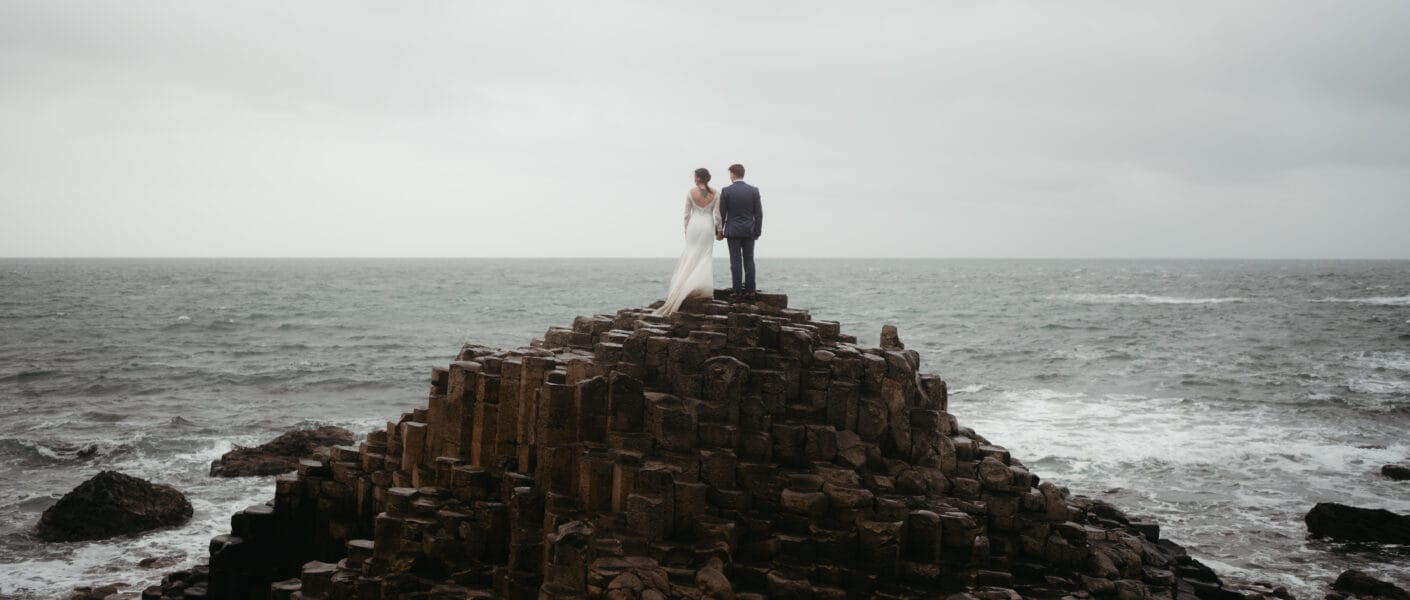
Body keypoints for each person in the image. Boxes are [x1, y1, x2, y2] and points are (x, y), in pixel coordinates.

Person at [654, 168, 721, 316]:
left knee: (691, 255)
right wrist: (720, 230)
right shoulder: (716, 193)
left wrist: (686, 230)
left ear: (698, 179)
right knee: (705, 256)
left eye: (695, 177)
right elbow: (717, 215)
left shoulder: (691, 193)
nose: (694, 179)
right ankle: (701, 288)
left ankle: (686, 286)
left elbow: (686, 215)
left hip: (694, 227)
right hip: (707, 227)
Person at [718, 163, 762, 300]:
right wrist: (757, 231)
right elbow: (759, 214)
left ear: (732, 174)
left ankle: (737, 291)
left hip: (732, 231)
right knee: (749, 260)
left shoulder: (726, 191)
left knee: (735, 261)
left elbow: (721, 214)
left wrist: (719, 231)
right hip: (749, 231)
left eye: (729, 174)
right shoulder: (754, 190)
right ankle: (751, 290)